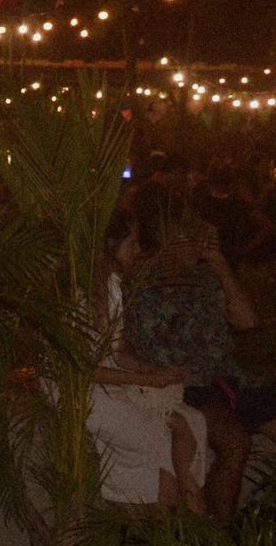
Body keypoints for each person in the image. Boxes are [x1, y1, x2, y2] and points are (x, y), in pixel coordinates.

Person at [123, 190, 272, 524]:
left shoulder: (206, 277)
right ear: (168, 237)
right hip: (189, 384)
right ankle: (219, 533)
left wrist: (220, 266)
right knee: (235, 443)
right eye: (192, 237)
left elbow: (247, 321)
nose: (201, 245)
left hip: (230, 379)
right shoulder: (142, 281)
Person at [87, 205, 206, 509]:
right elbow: (87, 369)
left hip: (110, 384)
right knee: (161, 435)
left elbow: (119, 351)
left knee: (188, 424)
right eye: (132, 243)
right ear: (111, 247)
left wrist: (155, 371)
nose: (138, 250)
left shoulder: (113, 285)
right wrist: (145, 379)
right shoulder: (84, 292)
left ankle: (181, 518)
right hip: (84, 393)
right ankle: (170, 521)